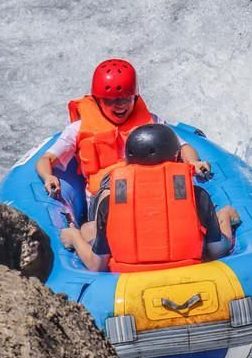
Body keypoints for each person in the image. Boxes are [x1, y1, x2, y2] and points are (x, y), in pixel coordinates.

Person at [36, 59, 210, 220]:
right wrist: (47, 177)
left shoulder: (152, 122)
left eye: (125, 98)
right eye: (110, 101)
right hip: (105, 198)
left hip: (150, 191)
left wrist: (193, 162)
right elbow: (45, 159)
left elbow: (183, 146)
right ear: (97, 100)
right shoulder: (78, 129)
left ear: (134, 96)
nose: (119, 105)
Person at [60, 124, 239, 272]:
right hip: (186, 271)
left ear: (128, 161)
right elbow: (217, 251)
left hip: (127, 280)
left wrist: (75, 237)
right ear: (176, 157)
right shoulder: (197, 195)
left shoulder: (111, 201)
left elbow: (97, 265)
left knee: (86, 229)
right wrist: (224, 217)